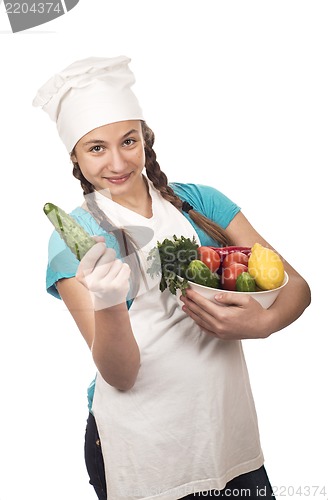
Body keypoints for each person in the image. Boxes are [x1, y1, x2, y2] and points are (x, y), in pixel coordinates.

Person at [33, 56, 311, 500]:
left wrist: (261, 324)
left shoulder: (200, 203)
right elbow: (121, 375)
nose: (118, 161)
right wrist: (107, 301)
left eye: (128, 141)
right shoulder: (78, 239)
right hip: (145, 443)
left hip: (226, 428)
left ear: (145, 138)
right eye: (96, 147)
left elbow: (296, 287)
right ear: (75, 156)